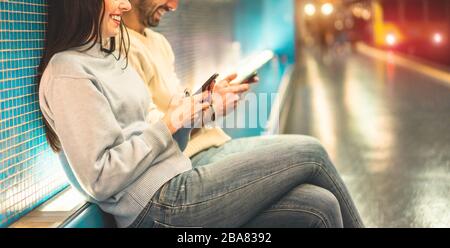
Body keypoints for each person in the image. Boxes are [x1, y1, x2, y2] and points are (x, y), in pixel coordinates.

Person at [38, 0, 364, 228]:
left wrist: (190, 116)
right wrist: (169, 123)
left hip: (178, 179)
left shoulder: (108, 57)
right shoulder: (69, 70)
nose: (124, 5)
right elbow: (100, 179)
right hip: (160, 205)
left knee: (320, 208)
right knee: (313, 153)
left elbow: (162, 138)